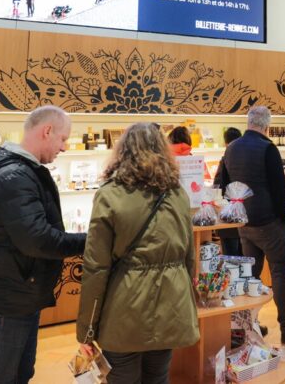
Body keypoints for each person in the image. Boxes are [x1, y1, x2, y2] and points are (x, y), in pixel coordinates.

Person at [0, 106, 88, 384]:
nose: (65, 147)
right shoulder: (15, 176)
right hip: (10, 297)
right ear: (47, 131)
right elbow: (37, 239)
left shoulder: (23, 172)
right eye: (63, 139)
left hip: (20, 293)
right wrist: (92, 240)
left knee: (20, 373)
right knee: (2, 376)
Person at [76, 123, 199, 384]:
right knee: (158, 378)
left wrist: (87, 330)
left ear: (122, 152)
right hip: (171, 306)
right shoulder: (177, 193)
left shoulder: (109, 195)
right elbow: (189, 256)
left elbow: (96, 268)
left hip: (124, 311)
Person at [216, 106, 285, 344]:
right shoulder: (267, 148)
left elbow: (223, 185)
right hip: (269, 222)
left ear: (249, 122)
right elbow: (280, 189)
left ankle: (247, 325)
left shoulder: (231, 148)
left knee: (251, 275)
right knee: (279, 272)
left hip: (244, 223)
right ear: (267, 125)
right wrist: (282, 217)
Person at [213, 126, 243, 257]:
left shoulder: (226, 160)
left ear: (226, 143)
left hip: (229, 218)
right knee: (245, 260)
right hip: (246, 218)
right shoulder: (247, 160)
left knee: (231, 259)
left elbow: (218, 187)